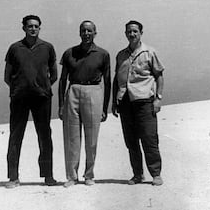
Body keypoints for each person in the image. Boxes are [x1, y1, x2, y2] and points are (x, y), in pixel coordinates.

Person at [4, 15, 58, 188]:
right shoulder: (14, 48)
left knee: (44, 136)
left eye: (36, 26)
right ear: (24, 28)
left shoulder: (47, 47)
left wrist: (42, 87)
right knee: (15, 136)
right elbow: (7, 76)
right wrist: (18, 89)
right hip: (19, 98)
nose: (33, 29)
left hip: (41, 98)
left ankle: (48, 176)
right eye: (29, 26)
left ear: (40, 28)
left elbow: (54, 74)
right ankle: (13, 177)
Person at [58, 20, 111, 188]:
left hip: (94, 92)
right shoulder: (69, 53)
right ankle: (72, 176)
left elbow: (108, 82)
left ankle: (89, 174)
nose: (86, 33)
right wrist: (61, 105)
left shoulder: (103, 54)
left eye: (89, 30)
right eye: (83, 30)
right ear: (79, 32)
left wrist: (105, 108)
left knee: (92, 137)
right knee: (71, 137)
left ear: (95, 32)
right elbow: (62, 80)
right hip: (72, 91)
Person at [112, 20, 165, 186]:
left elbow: (159, 75)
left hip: (144, 101)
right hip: (125, 102)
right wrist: (115, 101)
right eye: (129, 31)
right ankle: (137, 174)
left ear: (141, 33)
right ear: (125, 33)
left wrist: (158, 98)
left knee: (149, 139)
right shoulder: (120, 55)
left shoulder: (149, 52)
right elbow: (117, 78)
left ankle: (156, 174)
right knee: (131, 141)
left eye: (135, 31)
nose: (132, 34)